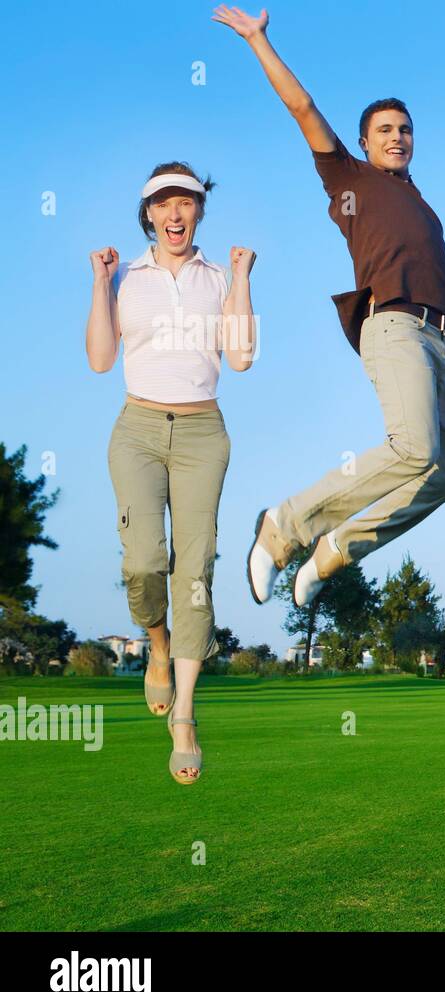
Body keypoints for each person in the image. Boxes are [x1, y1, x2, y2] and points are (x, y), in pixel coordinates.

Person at [213, 5, 445, 609]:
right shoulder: (347, 179)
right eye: (385, 130)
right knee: (413, 449)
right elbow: (303, 109)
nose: (397, 137)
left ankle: (335, 550)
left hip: (442, 341)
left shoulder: (420, 200)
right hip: (393, 322)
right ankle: (285, 527)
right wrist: (259, 41)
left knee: (443, 477)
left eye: (405, 129)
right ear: (362, 143)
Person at [86, 161, 257, 784]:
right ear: (150, 214)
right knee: (142, 561)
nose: (176, 212)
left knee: (198, 565)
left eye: (187, 200)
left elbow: (239, 358)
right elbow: (102, 360)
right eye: (165, 203)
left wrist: (240, 279)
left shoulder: (217, 277)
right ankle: (156, 646)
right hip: (136, 429)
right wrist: (101, 282)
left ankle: (184, 712)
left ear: (199, 210)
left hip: (202, 433)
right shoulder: (127, 275)